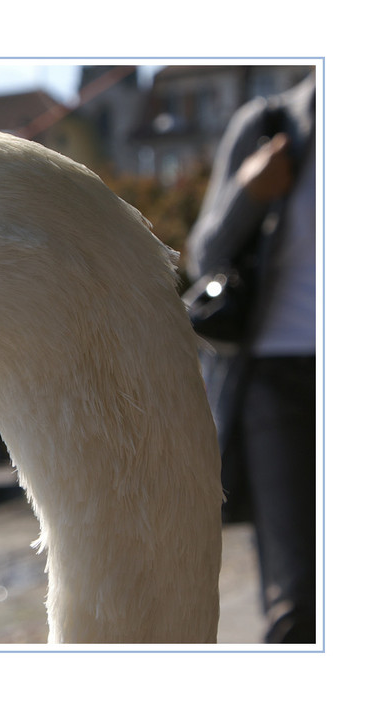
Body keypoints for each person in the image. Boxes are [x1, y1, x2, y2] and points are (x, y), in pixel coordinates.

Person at [185, 71, 316, 643]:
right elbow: (204, 255)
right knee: (299, 602)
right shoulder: (270, 123)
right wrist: (250, 189)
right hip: (278, 374)